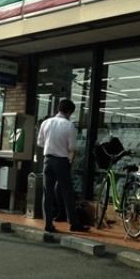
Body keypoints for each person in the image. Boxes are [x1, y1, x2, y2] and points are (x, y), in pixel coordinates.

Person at [37, 99, 90, 233]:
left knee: (47, 193)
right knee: (67, 193)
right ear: (69, 111)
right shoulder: (69, 125)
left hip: (47, 160)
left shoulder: (46, 122)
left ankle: (48, 224)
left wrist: (51, 146)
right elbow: (72, 147)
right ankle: (73, 223)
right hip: (61, 161)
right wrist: (64, 150)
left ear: (58, 109)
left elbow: (40, 142)